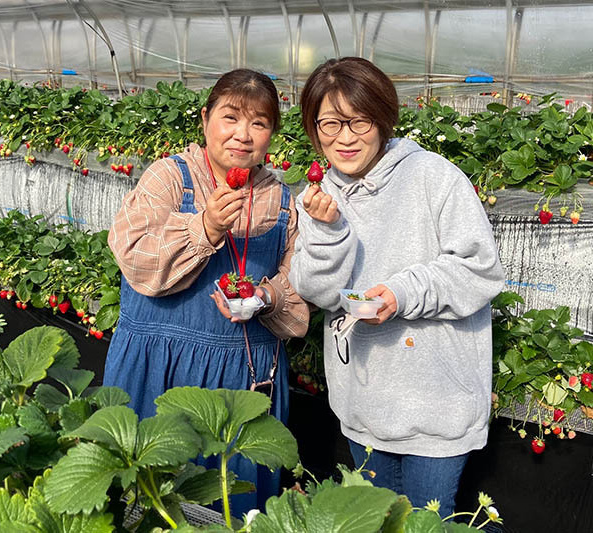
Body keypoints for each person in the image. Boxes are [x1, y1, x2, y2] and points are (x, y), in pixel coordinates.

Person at [289, 57, 505, 517]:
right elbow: (316, 290)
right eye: (330, 123)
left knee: (429, 521)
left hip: (436, 403)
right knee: (377, 520)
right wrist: (327, 232)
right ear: (313, 127)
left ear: (383, 118)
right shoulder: (319, 195)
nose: (344, 138)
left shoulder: (434, 177)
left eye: (358, 121)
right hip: (363, 401)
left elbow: (480, 270)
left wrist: (402, 291)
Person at [104, 69, 309, 514]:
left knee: (231, 507)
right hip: (159, 370)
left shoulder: (283, 199)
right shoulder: (170, 177)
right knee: (149, 502)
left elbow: (300, 291)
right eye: (230, 117)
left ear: (272, 132)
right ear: (205, 120)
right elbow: (135, 257)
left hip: (243, 378)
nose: (243, 134)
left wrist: (267, 298)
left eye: (259, 123)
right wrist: (206, 225)